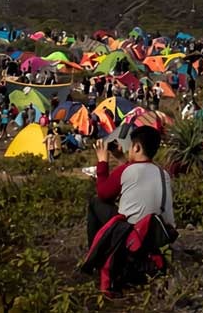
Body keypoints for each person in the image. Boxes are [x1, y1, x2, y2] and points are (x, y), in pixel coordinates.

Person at [82, 126, 177, 295]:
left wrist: (102, 162)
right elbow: (137, 173)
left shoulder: (126, 170)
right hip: (156, 237)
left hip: (129, 238)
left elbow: (104, 194)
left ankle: (98, 257)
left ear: (137, 147)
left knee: (95, 203)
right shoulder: (163, 173)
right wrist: (120, 158)